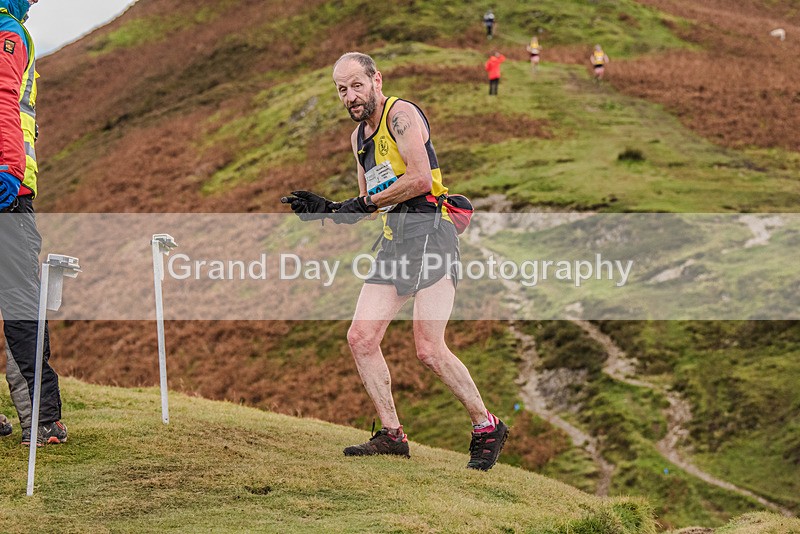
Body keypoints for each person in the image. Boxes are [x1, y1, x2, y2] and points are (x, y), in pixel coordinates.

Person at [284, 52, 508, 471]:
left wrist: (357, 202)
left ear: (375, 80)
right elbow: (369, 202)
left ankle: (486, 425)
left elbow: (420, 179)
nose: (349, 96)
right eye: (341, 89)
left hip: (431, 235)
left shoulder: (400, 115)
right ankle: (392, 435)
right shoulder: (358, 140)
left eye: (356, 85)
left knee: (428, 349)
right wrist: (329, 210)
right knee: (361, 338)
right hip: (393, 242)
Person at [0, 0, 67, 446]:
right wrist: (8, 167)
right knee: (22, 307)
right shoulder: (8, 31)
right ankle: (41, 422)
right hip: (8, 194)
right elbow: (4, 99)